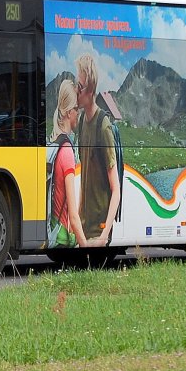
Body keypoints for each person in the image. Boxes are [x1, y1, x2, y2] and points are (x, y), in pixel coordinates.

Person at [75, 53, 120, 247]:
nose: (76, 91)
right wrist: (76, 216)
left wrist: (103, 236)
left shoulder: (103, 126)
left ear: (90, 89)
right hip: (84, 229)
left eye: (79, 87)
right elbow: (85, 178)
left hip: (98, 233)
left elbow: (116, 189)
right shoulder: (81, 122)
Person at [48, 79, 87, 248]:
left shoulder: (54, 142)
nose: (78, 113)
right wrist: (87, 250)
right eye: (77, 109)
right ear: (70, 112)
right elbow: (73, 217)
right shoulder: (66, 152)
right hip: (62, 239)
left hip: (54, 230)